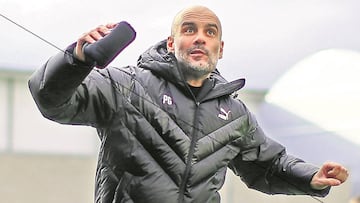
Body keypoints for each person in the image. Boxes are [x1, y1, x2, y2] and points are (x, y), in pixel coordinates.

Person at [28, 5, 349, 203]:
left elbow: (267, 165)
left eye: (209, 33)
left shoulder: (234, 114)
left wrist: (311, 177)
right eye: (189, 29)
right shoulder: (123, 85)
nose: (200, 38)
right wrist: (77, 58)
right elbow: (52, 100)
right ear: (171, 42)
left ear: (219, 49)